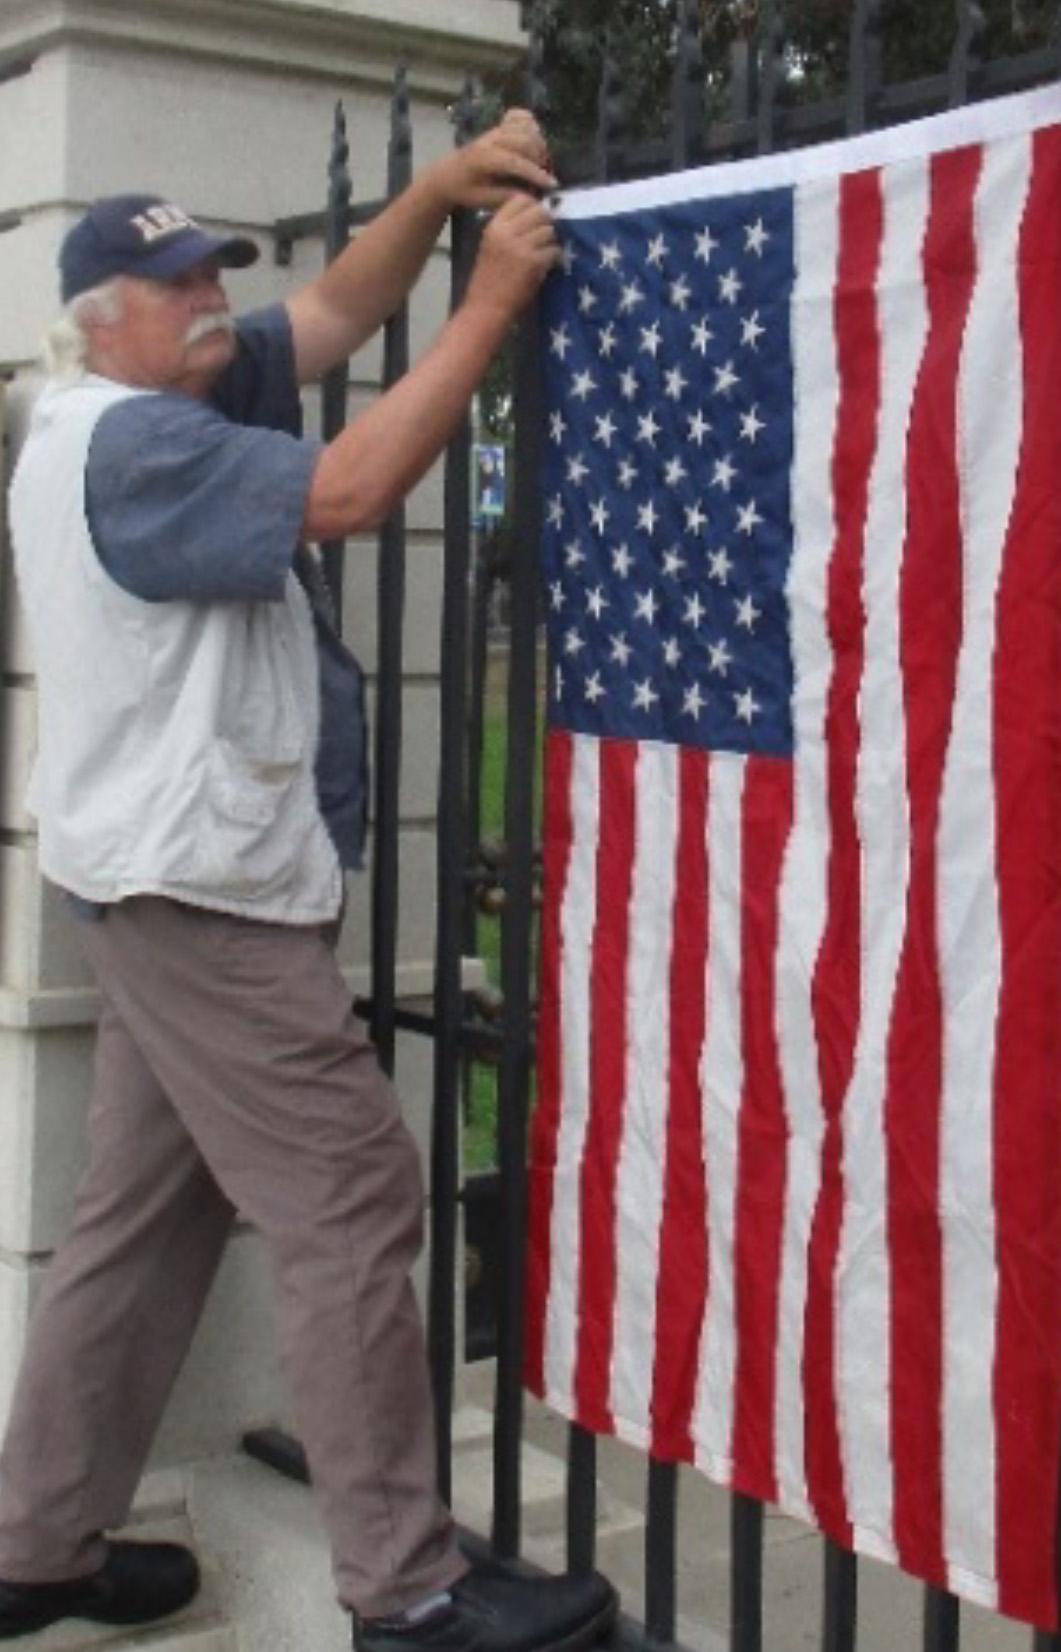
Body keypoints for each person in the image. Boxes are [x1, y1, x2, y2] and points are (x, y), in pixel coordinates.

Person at [0, 113, 617, 1652]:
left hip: (147, 882)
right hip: (200, 896)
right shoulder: (138, 442)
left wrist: (425, 194)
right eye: (182, 285)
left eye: (215, 271)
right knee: (346, 1189)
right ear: (101, 322)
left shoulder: (138, 400)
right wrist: (487, 305)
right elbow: (340, 492)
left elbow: (333, 315)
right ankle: (406, 1592)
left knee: (139, 1223)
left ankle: (33, 1550)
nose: (214, 299)